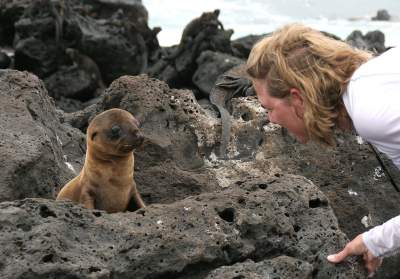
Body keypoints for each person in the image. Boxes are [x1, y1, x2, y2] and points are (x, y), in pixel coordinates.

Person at [246, 23, 400, 277]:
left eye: (268, 108)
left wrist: (377, 240)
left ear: (297, 98)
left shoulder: (372, 112)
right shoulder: (371, 82)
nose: (271, 119)